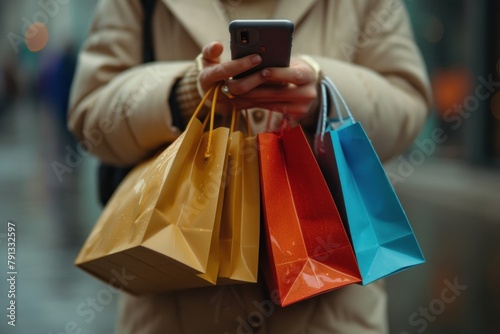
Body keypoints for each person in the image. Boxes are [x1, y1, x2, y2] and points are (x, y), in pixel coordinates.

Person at [68, 0, 432, 333]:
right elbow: (90, 117)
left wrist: (324, 93)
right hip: (174, 308)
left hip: (330, 310)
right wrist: (185, 95)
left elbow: (408, 106)